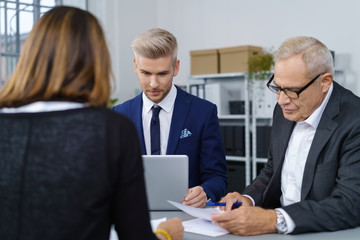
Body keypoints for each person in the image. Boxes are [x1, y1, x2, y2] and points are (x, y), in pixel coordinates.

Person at [0, 6, 183, 240]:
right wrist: (163, 235)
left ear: (30, 56)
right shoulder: (112, 130)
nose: (154, 82)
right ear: (96, 59)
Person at [212, 36, 360, 235]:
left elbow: (350, 203)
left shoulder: (354, 120)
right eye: (278, 87)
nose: (281, 100)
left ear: (325, 82)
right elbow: (273, 170)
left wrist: (275, 219)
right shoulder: (286, 109)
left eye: (291, 90)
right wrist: (248, 199)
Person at [112, 28, 227, 208]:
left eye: (162, 74)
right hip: (134, 216)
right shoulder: (119, 115)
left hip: (187, 218)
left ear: (176, 67)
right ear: (135, 66)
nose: (153, 84)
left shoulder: (203, 113)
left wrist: (205, 192)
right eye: (146, 73)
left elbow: (217, 177)